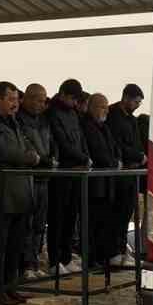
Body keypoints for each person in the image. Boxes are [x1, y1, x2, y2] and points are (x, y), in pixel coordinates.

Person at [0, 81, 38, 305]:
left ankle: (10, 285)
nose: (15, 104)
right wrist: (27, 157)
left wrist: (31, 155)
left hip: (20, 193)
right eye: (10, 99)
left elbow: (30, 147)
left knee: (15, 245)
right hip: (0, 192)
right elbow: (1, 150)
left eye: (16, 99)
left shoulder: (15, 122)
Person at [46, 78, 90, 277]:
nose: (74, 103)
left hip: (76, 170)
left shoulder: (72, 113)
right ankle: (55, 260)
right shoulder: (52, 112)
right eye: (72, 99)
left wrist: (86, 158)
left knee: (71, 217)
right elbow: (61, 141)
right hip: (62, 172)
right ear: (63, 94)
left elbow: (80, 138)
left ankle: (65, 257)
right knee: (58, 217)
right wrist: (82, 157)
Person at [18, 84, 57, 276]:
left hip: (45, 178)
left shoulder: (43, 120)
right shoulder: (19, 119)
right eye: (40, 100)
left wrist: (53, 158)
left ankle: (33, 262)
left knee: (40, 224)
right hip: (29, 178)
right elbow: (27, 146)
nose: (43, 104)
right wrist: (43, 160)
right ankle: (25, 264)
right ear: (29, 98)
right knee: (28, 223)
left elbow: (51, 142)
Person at [106, 83, 145, 262]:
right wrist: (137, 155)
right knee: (116, 214)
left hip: (132, 172)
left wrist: (140, 156)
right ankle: (113, 251)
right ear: (126, 98)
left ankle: (122, 249)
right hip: (119, 174)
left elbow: (136, 143)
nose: (137, 106)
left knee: (126, 213)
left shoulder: (131, 119)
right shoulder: (112, 115)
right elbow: (117, 144)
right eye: (135, 102)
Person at [82, 92, 121, 269]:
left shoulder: (104, 127)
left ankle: (100, 256)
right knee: (92, 224)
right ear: (92, 107)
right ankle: (90, 259)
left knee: (104, 223)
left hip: (107, 184)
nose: (105, 110)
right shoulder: (88, 126)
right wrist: (113, 163)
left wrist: (117, 161)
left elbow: (114, 148)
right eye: (101, 107)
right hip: (94, 185)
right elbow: (99, 153)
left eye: (106, 107)